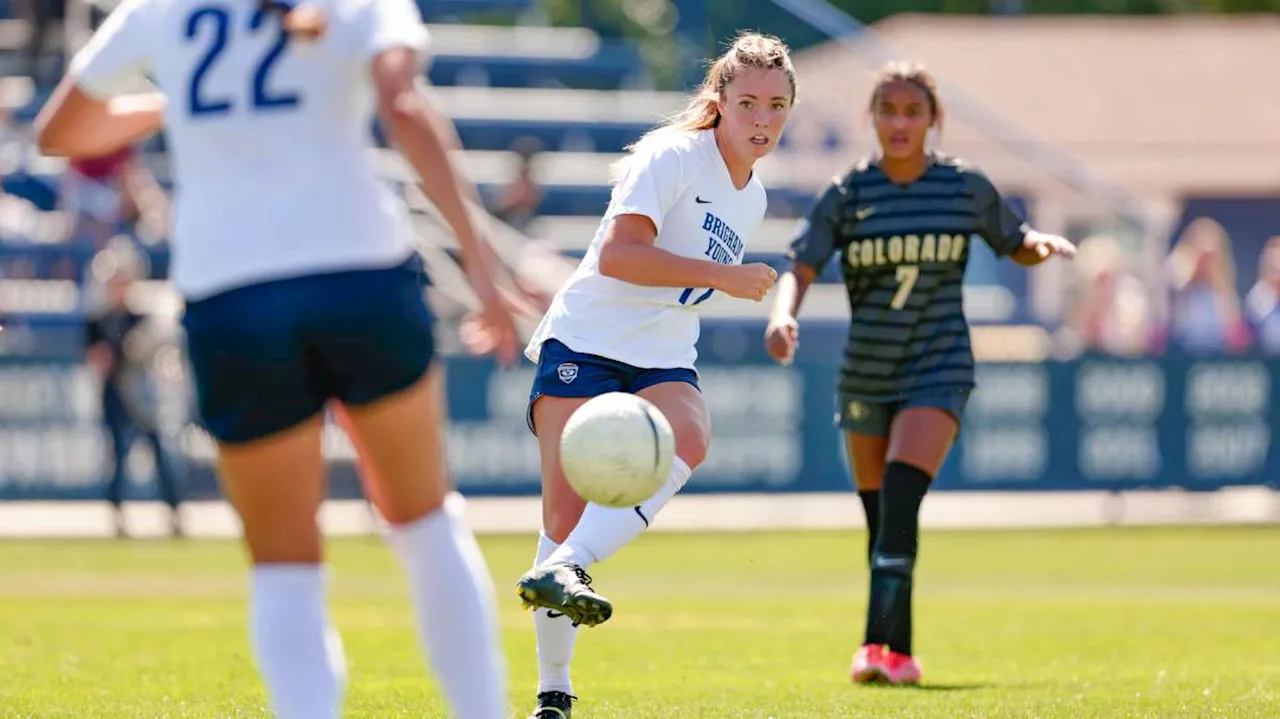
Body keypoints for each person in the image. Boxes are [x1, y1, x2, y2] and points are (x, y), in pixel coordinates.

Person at [34, 0, 518, 717]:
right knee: (424, 522)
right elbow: (405, 107)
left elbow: (61, 132)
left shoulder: (159, 11)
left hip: (231, 294)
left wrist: (181, 106)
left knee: (285, 566)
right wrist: (486, 273)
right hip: (360, 274)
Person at [763, 61, 1076, 686]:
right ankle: (882, 650)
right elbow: (800, 266)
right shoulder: (849, 193)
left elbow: (1011, 238)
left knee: (902, 503)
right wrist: (781, 317)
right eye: (888, 110)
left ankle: (889, 652)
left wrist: (1038, 244)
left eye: (913, 111)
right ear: (871, 118)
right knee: (881, 524)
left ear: (934, 119)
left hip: (939, 367)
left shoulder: (963, 187)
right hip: (867, 374)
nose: (900, 123)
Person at [512, 32, 796, 719]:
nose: (762, 119)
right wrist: (723, 277)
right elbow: (619, 256)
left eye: (777, 106)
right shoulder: (672, 156)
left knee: (691, 434)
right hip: (587, 337)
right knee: (562, 517)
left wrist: (722, 282)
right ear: (720, 100)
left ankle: (567, 566)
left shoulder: (751, 195)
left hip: (662, 349)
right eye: (749, 102)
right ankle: (555, 689)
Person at [84, 242, 184, 537]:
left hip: (141, 396)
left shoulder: (140, 316)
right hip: (114, 393)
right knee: (116, 456)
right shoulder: (98, 320)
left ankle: (174, 511)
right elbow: (95, 358)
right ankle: (117, 515)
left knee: (158, 451)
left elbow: (157, 352)